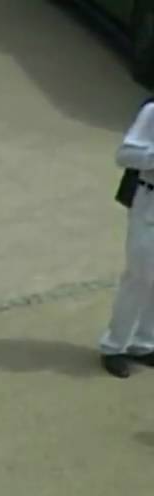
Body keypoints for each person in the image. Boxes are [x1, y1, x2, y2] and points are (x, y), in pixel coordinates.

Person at [102, 97, 154, 378]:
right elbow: (124, 155)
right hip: (149, 202)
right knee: (139, 276)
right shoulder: (152, 112)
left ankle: (144, 343)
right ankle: (114, 345)